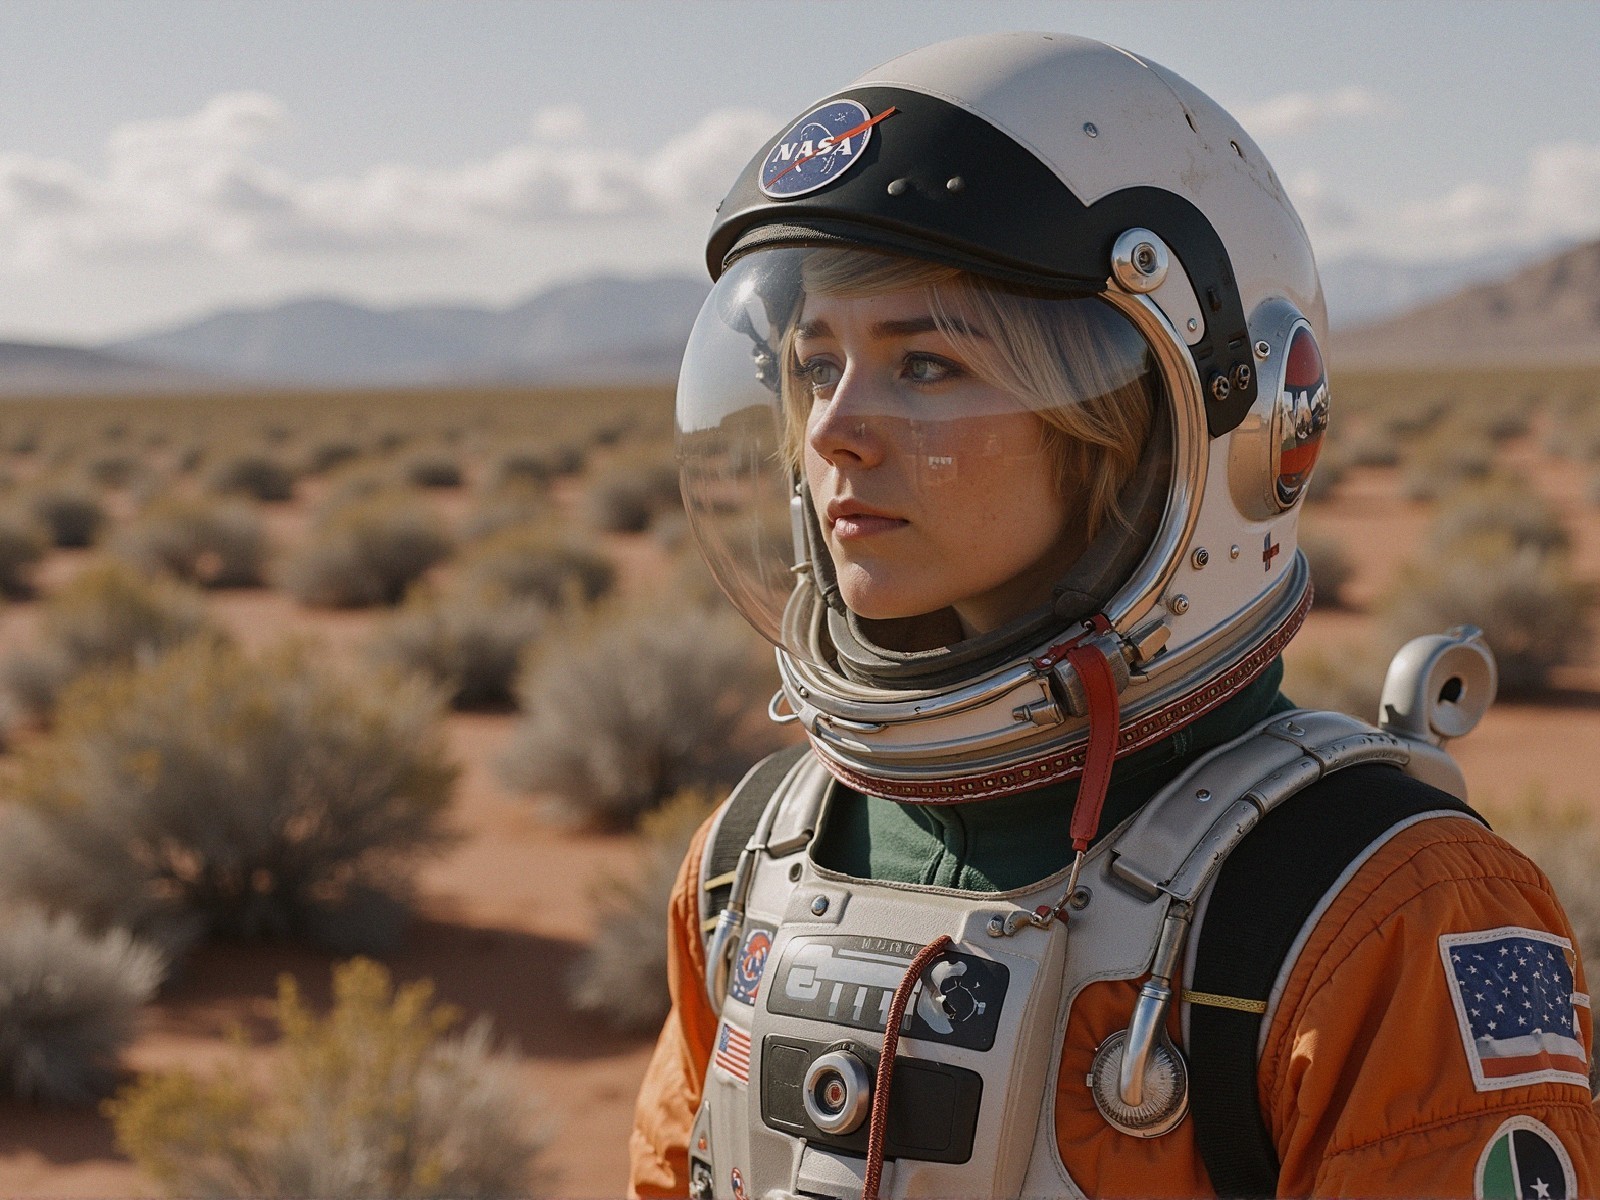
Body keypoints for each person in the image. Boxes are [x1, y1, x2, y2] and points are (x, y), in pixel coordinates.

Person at [634, 31, 1600, 1199]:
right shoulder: (750, 864)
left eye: (927, 362)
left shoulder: (1379, 911)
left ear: (1146, 428)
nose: (833, 427)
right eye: (813, 359)